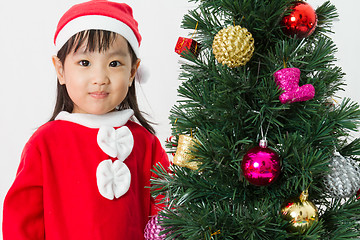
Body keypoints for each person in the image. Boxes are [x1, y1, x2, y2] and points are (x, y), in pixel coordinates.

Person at [2, 1, 169, 239]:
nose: (100, 78)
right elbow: (21, 223)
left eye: (114, 64)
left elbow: (168, 216)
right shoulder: (45, 143)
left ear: (132, 71)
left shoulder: (146, 144)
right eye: (84, 63)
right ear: (60, 70)